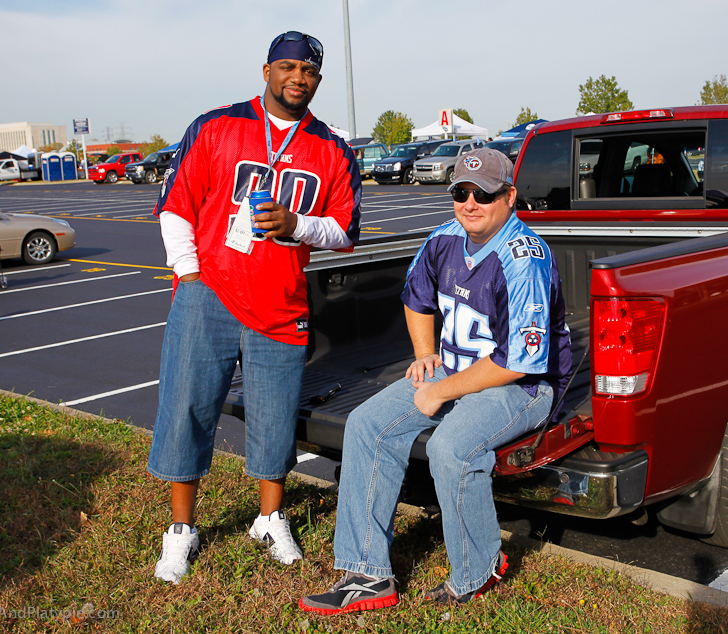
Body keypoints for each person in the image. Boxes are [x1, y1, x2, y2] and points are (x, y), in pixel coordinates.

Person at [300, 148, 572, 614]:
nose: (470, 203)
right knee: (367, 424)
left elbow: (519, 362)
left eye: (483, 194)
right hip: (456, 368)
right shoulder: (445, 238)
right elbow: (417, 297)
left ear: (509, 197)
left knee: (451, 448)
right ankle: (366, 574)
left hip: (521, 386)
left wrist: (440, 391)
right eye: (461, 193)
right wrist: (426, 355)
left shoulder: (524, 258)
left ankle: (478, 569)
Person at [147, 31, 362, 584]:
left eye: (308, 70)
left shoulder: (333, 148)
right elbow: (176, 205)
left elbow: (344, 231)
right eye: (287, 66)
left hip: (280, 300)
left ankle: (269, 517)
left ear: (318, 79)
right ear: (265, 70)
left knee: (275, 417)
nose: (297, 78)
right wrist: (189, 274)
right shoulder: (217, 125)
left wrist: (297, 226)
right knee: (188, 409)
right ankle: (180, 529)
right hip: (210, 294)